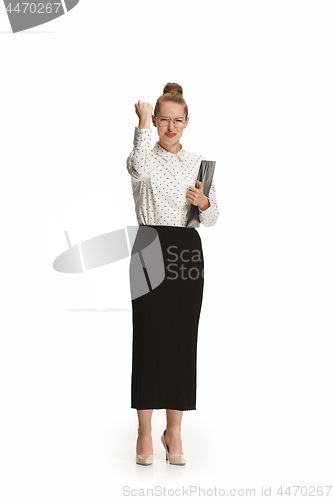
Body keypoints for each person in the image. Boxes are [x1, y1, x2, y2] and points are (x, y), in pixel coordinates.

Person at [126, 83, 219, 465]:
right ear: (155, 121)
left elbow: (211, 218)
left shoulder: (197, 162)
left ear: (186, 123)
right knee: (148, 337)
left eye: (176, 121)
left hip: (186, 249)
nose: (170, 127)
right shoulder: (143, 156)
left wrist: (205, 202)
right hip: (149, 245)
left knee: (182, 338)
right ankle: (145, 431)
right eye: (163, 119)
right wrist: (142, 124)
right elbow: (139, 168)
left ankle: (174, 432)